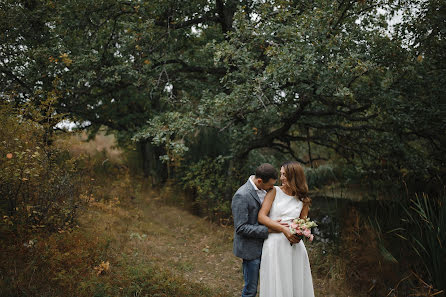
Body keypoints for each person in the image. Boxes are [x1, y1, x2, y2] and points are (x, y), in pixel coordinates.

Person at [232, 163, 299, 297]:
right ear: (260, 181)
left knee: (271, 286)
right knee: (251, 289)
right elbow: (240, 228)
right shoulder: (242, 195)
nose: (272, 188)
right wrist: (267, 230)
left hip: (270, 247)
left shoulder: (265, 189)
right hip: (250, 250)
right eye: (270, 185)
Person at [258, 161, 315, 297]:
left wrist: (301, 233)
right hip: (275, 245)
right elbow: (261, 216)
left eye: (285, 174)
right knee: (276, 282)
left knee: (295, 282)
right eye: (281, 174)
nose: (281, 178)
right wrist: (283, 229)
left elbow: (303, 223)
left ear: (294, 176)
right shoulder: (274, 191)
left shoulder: (303, 199)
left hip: (294, 247)